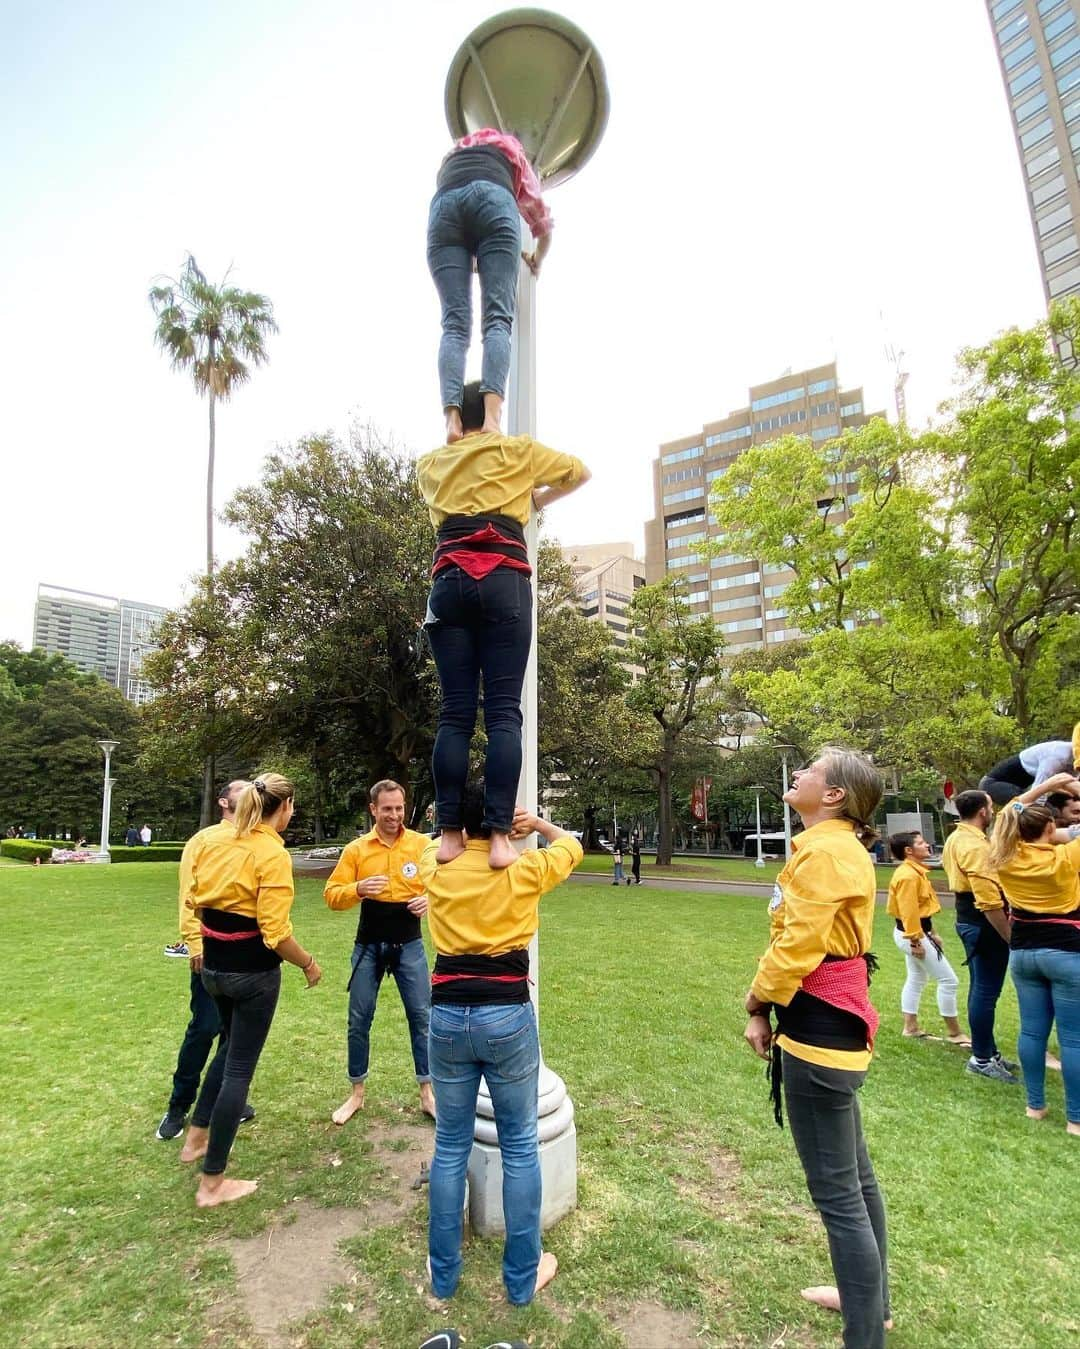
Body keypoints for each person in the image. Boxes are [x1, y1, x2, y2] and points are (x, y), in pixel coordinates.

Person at [743, 748, 891, 1348]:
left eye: (809, 769)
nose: (797, 774)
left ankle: (866, 1331)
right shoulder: (830, 848)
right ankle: (869, 1304)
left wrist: (757, 1005)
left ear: (833, 796)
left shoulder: (827, 852)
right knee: (856, 1181)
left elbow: (799, 944)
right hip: (831, 1024)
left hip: (819, 1031)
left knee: (840, 1195)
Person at [419, 785, 583, 1306]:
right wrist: (532, 825)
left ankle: (443, 1275)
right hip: (507, 1014)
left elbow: (432, 843)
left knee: (449, 1145)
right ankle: (521, 1277)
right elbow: (573, 844)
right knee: (519, 1146)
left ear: (452, 826)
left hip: (446, 1013)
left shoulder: (434, 862)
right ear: (497, 824)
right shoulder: (523, 868)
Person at [417, 382, 588, 869]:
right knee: (502, 714)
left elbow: (443, 509)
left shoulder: (431, 463)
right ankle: (497, 837)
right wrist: (536, 498)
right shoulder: (517, 451)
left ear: (455, 416)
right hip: (504, 578)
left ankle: (449, 832)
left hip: (449, 580)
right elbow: (580, 472)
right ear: (494, 408)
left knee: (454, 713)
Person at [178, 774, 322, 1207]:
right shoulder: (270, 854)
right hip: (253, 975)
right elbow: (275, 933)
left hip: (214, 970)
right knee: (240, 1067)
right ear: (284, 807)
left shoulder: (209, 841)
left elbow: (193, 900)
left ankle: (196, 1138)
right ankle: (213, 1183)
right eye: (292, 806)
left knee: (226, 1052)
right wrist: (309, 963)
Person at [427, 128, 554, 443]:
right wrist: (538, 256)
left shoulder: (458, 151)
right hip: (494, 200)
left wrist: (469, 251)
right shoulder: (511, 150)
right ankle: (492, 420)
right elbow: (541, 219)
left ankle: (452, 422)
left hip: (443, 206)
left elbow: (456, 193)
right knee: (497, 319)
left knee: (454, 325)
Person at [323, 780, 435, 1124]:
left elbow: (444, 883)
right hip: (369, 944)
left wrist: (430, 898)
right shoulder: (357, 850)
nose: (394, 815)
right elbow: (331, 894)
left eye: (399, 808)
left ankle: (428, 1093)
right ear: (373, 809)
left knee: (423, 1018)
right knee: (358, 1019)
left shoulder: (421, 844)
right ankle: (356, 1093)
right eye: (387, 809)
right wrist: (357, 888)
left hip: (410, 942)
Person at [155, 781, 256, 1141]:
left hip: (246, 958)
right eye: (244, 791)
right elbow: (189, 896)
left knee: (235, 1036)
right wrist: (194, 944)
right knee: (204, 1028)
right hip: (209, 951)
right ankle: (178, 1106)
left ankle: (226, 1100)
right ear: (224, 802)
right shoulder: (204, 841)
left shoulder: (256, 840)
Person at [987, 772, 1080, 1135]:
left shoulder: (1006, 856)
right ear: (1050, 829)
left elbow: (1008, 814)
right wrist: (1069, 786)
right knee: (1072, 1037)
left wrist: (1044, 785)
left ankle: (1035, 1106)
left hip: (1024, 952)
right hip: (1067, 952)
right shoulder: (1065, 858)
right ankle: (1075, 1118)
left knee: (1032, 1032)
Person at [941, 791, 1019, 1083]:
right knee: (986, 992)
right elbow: (988, 900)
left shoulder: (958, 838)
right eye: (991, 806)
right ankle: (982, 1059)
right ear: (984, 812)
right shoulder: (974, 846)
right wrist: (1009, 936)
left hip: (970, 921)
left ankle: (988, 1051)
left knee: (981, 989)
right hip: (983, 924)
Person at [885, 831, 968, 1045]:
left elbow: (923, 909)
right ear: (908, 851)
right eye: (921, 843)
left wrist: (933, 933)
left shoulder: (916, 873)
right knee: (949, 981)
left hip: (918, 933)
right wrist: (916, 942)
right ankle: (955, 1033)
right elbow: (909, 912)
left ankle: (910, 1027)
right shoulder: (907, 876)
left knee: (917, 978)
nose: (927, 845)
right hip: (911, 934)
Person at [977, 726, 1080, 806]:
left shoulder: (1072, 761)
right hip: (992, 785)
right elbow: (1038, 791)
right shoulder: (1056, 757)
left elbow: (1069, 787)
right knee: (1024, 807)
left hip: (1020, 787)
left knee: (1058, 806)